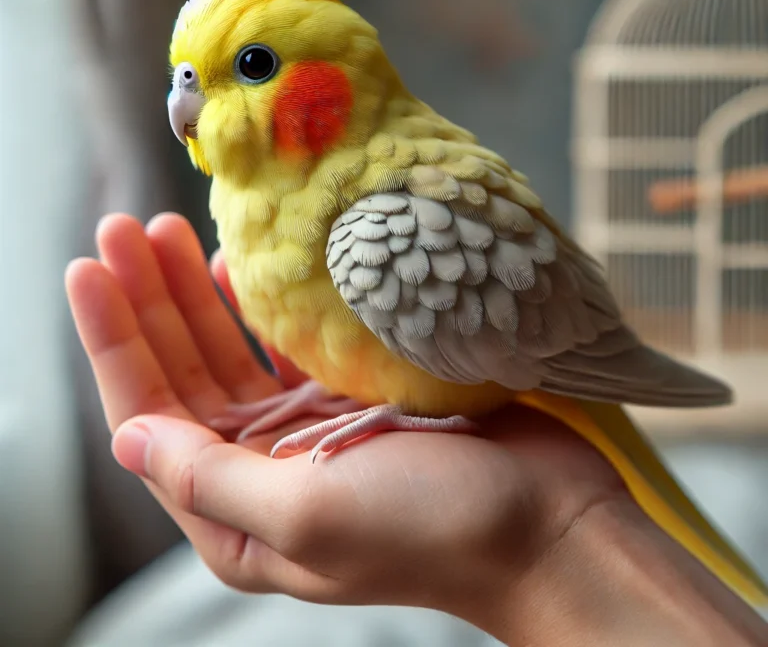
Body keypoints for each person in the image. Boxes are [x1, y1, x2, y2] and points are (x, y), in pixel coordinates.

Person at [65, 212, 768, 647]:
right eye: (182, 75)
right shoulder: (268, 215)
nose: (186, 100)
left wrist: (547, 540)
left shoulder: (378, 225)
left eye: (252, 65)